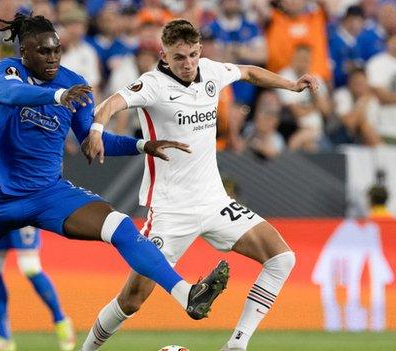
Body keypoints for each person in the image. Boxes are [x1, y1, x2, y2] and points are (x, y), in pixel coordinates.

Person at [0, 13, 229, 351]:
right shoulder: (7, 72)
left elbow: (90, 142)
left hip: (47, 194)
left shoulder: (75, 84)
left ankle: (187, 294)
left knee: (120, 225)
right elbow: (7, 95)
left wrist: (141, 144)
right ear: (25, 52)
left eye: (57, 50)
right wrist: (55, 95)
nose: (53, 58)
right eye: (44, 51)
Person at [81, 19, 317, 351]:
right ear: (164, 54)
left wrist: (290, 85)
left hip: (215, 202)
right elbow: (110, 104)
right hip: (171, 210)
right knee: (132, 299)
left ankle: (236, 344)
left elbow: (249, 71)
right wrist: (96, 131)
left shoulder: (211, 71)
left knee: (282, 258)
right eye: (179, 57)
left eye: (192, 55)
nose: (188, 64)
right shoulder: (152, 84)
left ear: (200, 50)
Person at [0, 117, 76, 351]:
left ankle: (61, 320)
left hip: (24, 201)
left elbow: (50, 162)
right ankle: (3, 338)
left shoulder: (30, 118)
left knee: (29, 266)